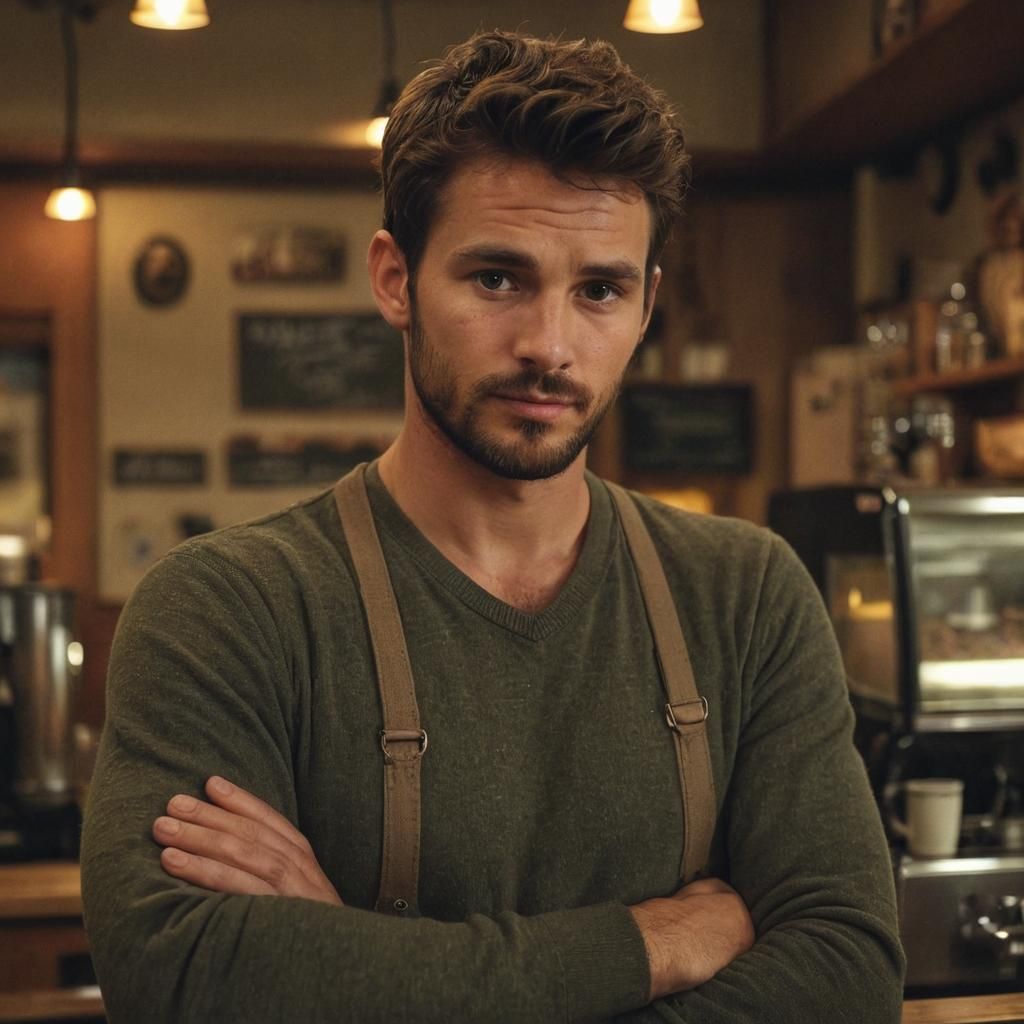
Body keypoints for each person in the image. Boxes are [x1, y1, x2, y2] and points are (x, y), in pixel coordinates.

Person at [81, 30, 905, 1023]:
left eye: (598, 290)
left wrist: (364, 967)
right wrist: (650, 942)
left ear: (646, 305)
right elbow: (178, 974)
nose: (549, 345)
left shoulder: (746, 593)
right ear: (395, 278)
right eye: (497, 279)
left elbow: (847, 967)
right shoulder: (228, 608)